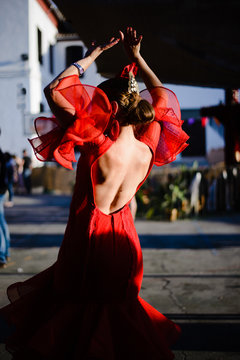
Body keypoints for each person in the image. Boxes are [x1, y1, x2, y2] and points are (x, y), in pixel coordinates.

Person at [0, 28, 188, 359]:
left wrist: (95, 53)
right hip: (127, 249)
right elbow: (160, 96)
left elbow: (54, 89)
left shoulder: (95, 142)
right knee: (120, 330)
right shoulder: (148, 146)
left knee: (73, 330)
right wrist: (137, 58)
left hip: (86, 246)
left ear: (110, 106)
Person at [0, 150, 10, 268]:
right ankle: (5, 253)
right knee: (2, 223)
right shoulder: (2, 154)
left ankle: (2, 256)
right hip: (2, 190)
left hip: (0, 190)